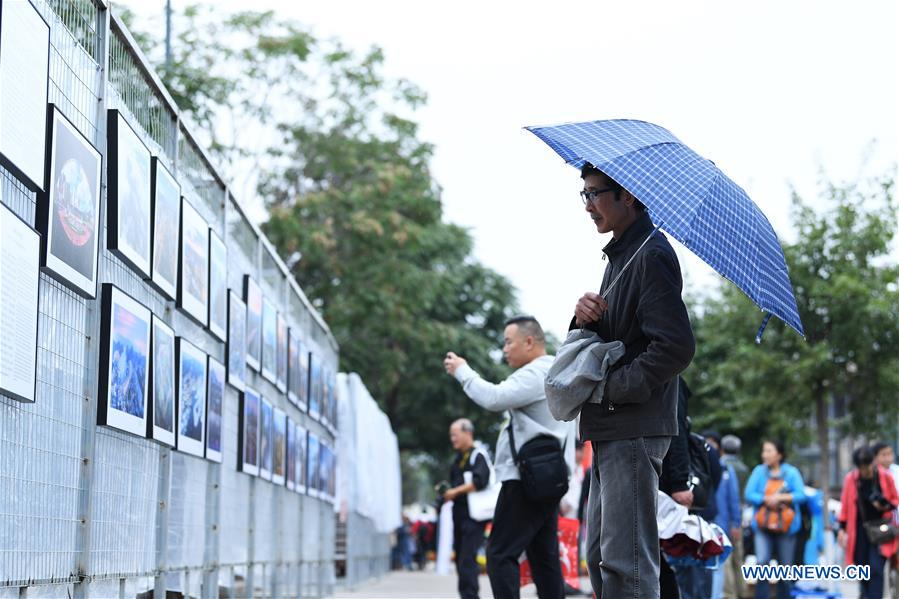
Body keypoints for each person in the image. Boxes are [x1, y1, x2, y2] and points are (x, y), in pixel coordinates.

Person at [572, 165, 695, 599]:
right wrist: (584, 317)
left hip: (633, 426)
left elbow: (675, 347)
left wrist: (615, 388)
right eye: (583, 194)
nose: (587, 205)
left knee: (629, 566)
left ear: (628, 195)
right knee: (600, 558)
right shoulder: (623, 255)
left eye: (594, 194)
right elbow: (618, 340)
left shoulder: (652, 254)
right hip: (612, 425)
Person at [445, 315, 576, 599]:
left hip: (526, 480)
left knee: (500, 553)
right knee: (543, 557)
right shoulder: (556, 371)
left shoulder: (536, 373)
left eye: (508, 342)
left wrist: (462, 371)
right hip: (547, 478)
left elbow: (494, 398)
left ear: (529, 342)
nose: (504, 349)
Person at [744, 440, 806, 599]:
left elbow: (801, 495)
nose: (764, 455)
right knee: (762, 563)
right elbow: (749, 494)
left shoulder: (791, 473)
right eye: (764, 451)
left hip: (786, 527)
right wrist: (766, 499)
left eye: (769, 451)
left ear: (779, 454)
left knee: (785, 567)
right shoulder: (759, 472)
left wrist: (781, 497)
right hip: (762, 526)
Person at [837, 445, 899, 599]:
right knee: (862, 569)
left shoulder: (885, 477)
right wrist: (842, 528)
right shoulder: (852, 479)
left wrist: (884, 504)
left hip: (881, 530)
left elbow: (895, 501)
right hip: (859, 531)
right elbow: (845, 505)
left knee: (876, 569)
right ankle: (865, 595)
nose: (866, 470)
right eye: (863, 467)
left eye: (868, 465)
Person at [442, 418, 492, 599]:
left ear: (468, 433)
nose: (452, 439)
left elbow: (480, 481)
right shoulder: (458, 459)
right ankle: (465, 595)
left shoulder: (478, 455)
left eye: (455, 435)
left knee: (467, 558)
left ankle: (471, 596)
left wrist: (455, 491)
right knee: (459, 558)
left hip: (474, 517)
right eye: (451, 435)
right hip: (459, 515)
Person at [719, 434, 750, 599]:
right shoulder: (744, 469)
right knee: (739, 559)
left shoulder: (721, 466)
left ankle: (730, 595)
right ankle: (743, 592)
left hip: (724, 518)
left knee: (727, 561)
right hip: (739, 517)